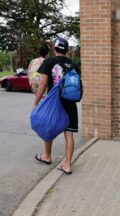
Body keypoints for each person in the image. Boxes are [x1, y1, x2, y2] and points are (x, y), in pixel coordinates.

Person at [33, 37, 80, 175]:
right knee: (69, 134)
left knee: (49, 126)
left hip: (54, 103)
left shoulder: (49, 62)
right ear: (66, 50)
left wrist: (36, 103)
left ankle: (47, 156)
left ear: (55, 48)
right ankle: (67, 165)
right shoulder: (73, 64)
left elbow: (42, 84)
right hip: (70, 103)